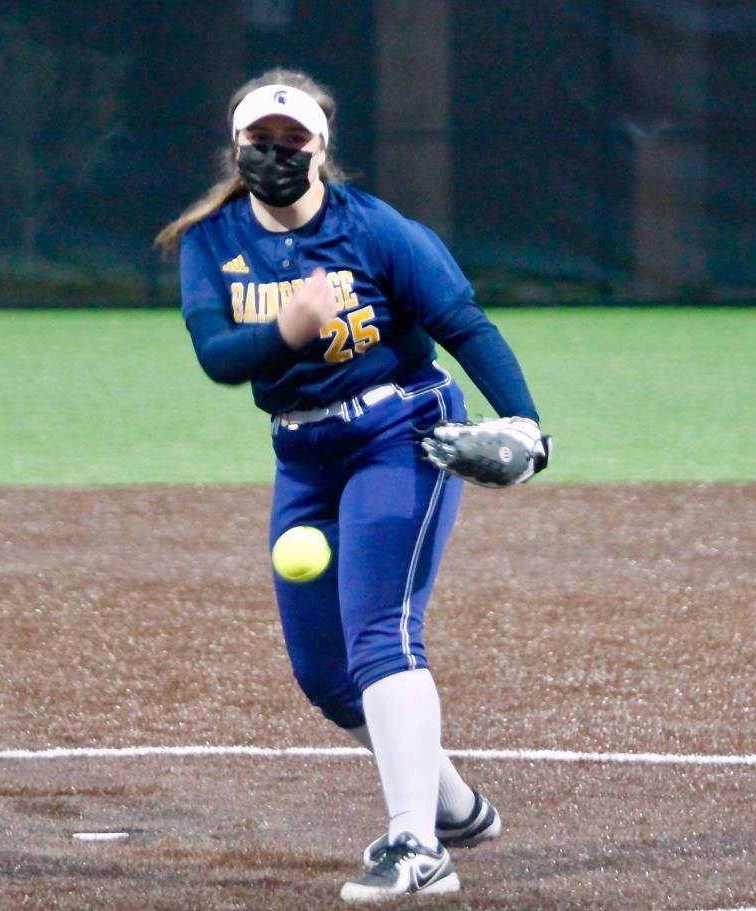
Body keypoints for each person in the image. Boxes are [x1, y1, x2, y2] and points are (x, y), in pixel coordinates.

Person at [155, 68, 547, 901]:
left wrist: (527, 426)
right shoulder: (210, 240)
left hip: (399, 433)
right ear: (236, 146)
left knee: (381, 633)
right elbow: (218, 356)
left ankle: (417, 845)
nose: (274, 152)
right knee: (327, 676)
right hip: (303, 454)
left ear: (321, 148)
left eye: (292, 139)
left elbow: (463, 324)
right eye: (260, 139)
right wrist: (290, 326)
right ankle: (456, 809)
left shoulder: (375, 230)